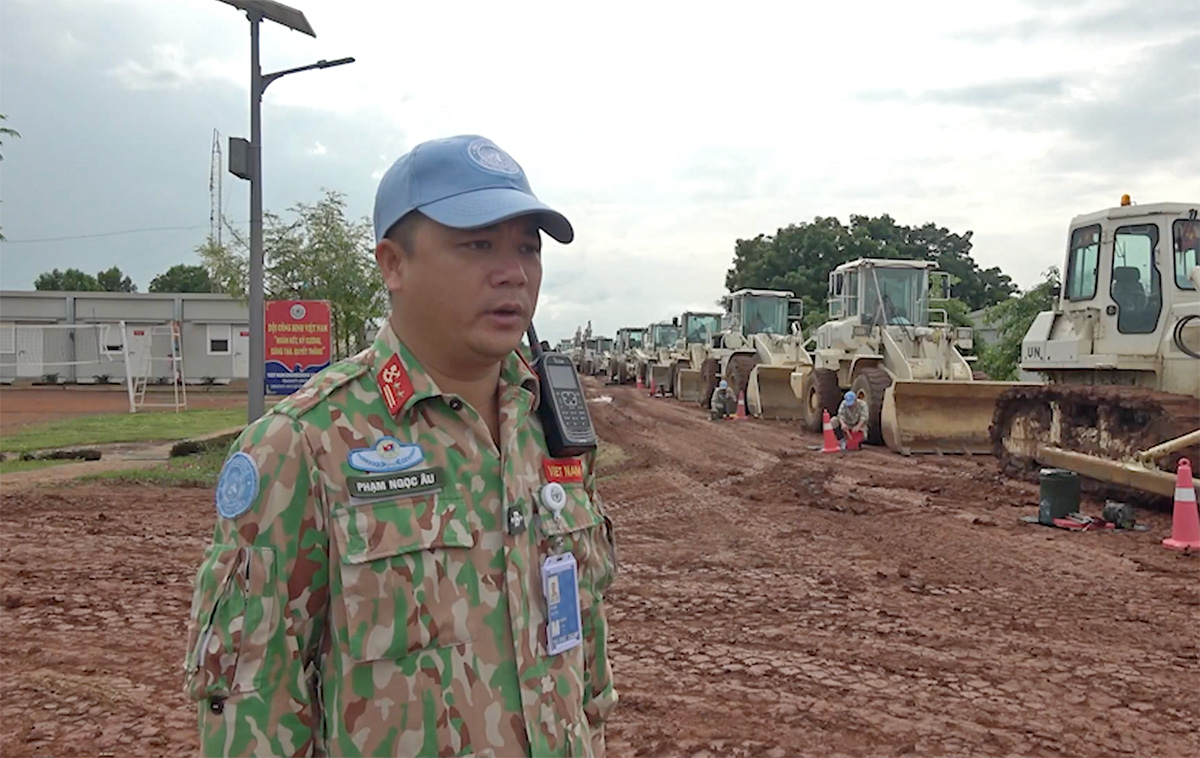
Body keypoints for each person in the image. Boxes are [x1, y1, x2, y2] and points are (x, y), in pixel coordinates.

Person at [183, 135, 619, 757]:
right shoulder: (302, 445)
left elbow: (585, 645)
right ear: (394, 264)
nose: (515, 273)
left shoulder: (550, 425)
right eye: (478, 244)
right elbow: (254, 706)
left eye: (528, 247)